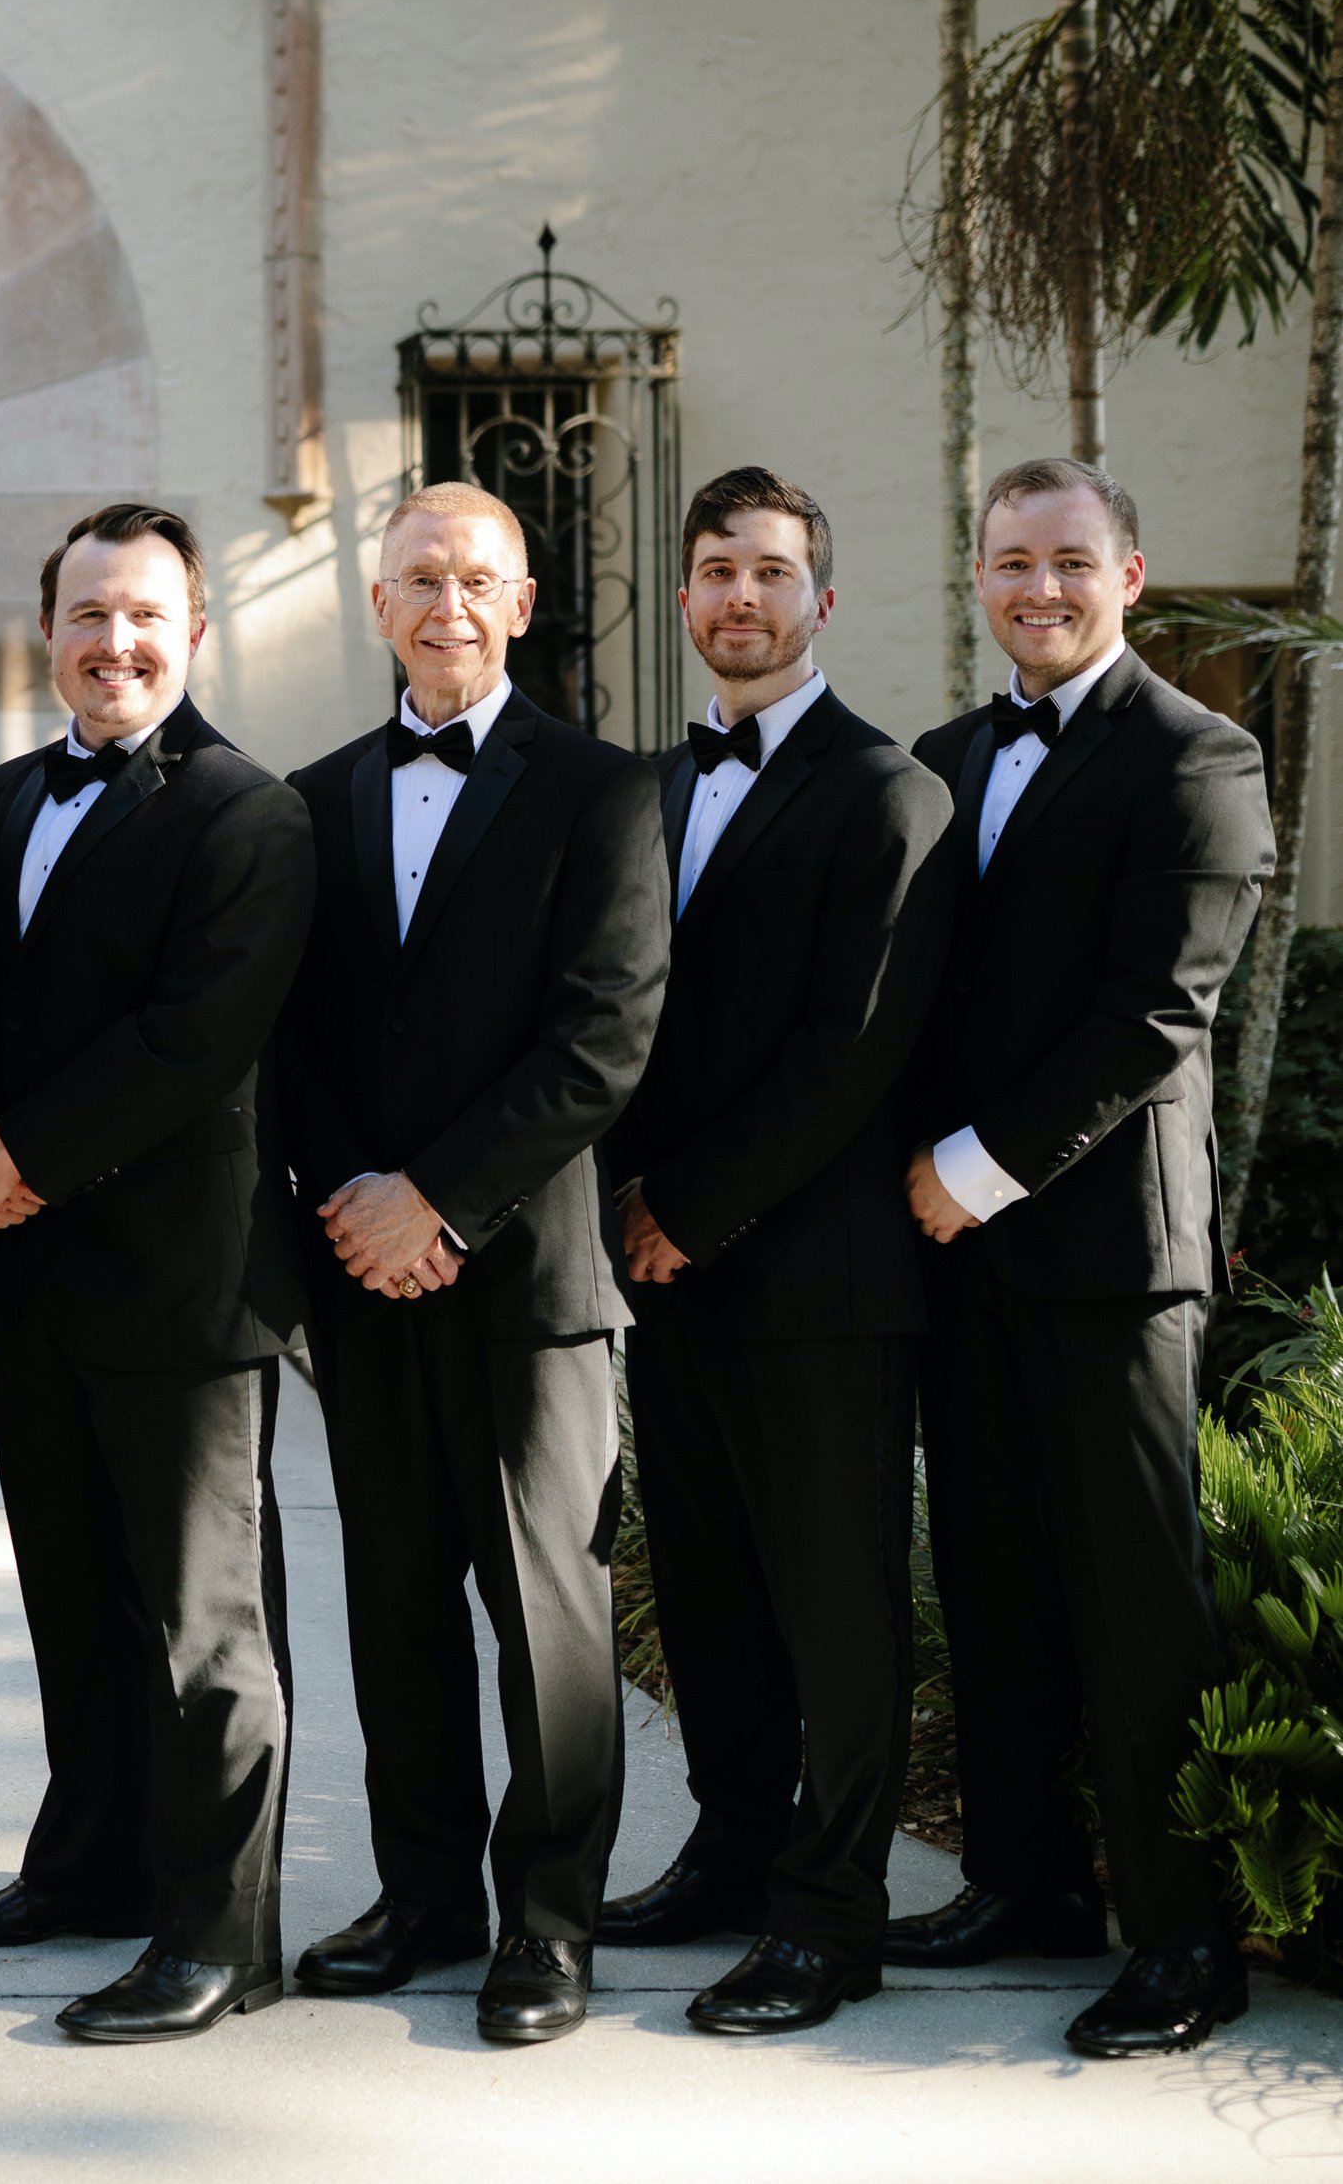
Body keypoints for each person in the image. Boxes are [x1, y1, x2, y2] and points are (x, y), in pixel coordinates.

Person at [270, 482, 669, 2046]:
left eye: (476, 578)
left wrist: (437, 1198)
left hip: (527, 1276)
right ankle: (423, 1890)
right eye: (418, 577)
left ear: (520, 603)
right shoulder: (309, 798)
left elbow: (603, 1040)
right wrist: (353, 1202)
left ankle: (549, 1922)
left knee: (544, 1606)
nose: (446, 602)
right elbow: (288, 1038)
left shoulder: (603, 791)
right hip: (363, 1272)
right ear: (379, 607)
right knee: (398, 1603)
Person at [0, 504, 314, 2044]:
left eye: (145, 614)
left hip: (186, 1284)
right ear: (52, 630)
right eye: (87, 614)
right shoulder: (0, 799)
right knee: (73, 1598)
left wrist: (22, 1149)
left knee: (205, 1627)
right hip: (26, 1275)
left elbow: (195, 1041)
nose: (115, 641)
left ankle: (224, 1931)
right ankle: (86, 1866)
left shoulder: (248, 813)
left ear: (194, 631)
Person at [895, 457, 1274, 2058]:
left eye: (1068, 560)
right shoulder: (944, 756)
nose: (1035, 588)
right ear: (976, 578)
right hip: (955, 1252)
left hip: (1109, 1250)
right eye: (1008, 561)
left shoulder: (1201, 756)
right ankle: (1029, 1877)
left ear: (1131, 570)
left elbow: (1152, 1013)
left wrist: (968, 1173)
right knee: (989, 1574)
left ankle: (1186, 1935)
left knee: (1135, 1594)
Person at [591, 469, 954, 2036]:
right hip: (671, 1277)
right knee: (713, 1593)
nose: (742, 596)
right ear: (684, 601)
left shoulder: (887, 792)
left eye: (773, 572)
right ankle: (732, 1849)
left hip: (816, 1277)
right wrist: (618, 1200)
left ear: (823, 599)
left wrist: (688, 1206)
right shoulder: (647, 792)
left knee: (834, 1601)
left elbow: (849, 1051)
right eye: (717, 571)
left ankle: (832, 1907)